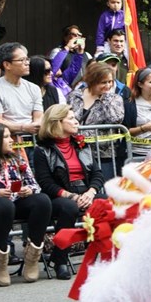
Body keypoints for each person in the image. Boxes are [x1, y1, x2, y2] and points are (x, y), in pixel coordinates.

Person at [32, 104, 105, 280]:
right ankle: (60, 260)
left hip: (85, 191)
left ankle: (97, 258)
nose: (76, 121)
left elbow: (97, 173)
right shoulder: (42, 150)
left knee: (105, 204)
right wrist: (71, 196)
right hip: (59, 195)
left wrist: (91, 192)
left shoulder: (81, 145)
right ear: (57, 122)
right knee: (69, 208)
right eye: (71, 118)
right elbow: (46, 183)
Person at [0, 121, 49, 285]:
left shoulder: (17, 159)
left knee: (42, 201)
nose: (12, 141)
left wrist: (28, 189)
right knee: (3, 205)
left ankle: (32, 256)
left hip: (15, 201)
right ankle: (0, 259)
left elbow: (34, 184)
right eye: (7, 137)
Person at [67, 62, 125, 180]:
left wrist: (105, 98)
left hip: (103, 154)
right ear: (92, 80)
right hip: (77, 152)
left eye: (110, 81)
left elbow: (116, 119)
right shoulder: (75, 95)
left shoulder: (114, 98)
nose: (108, 85)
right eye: (104, 82)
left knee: (105, 189)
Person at [0, 43, 43, 136]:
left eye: (27, 59)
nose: (27, 63)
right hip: (7, 140)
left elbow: (38, 117)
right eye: (22, 60)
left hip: (34, 139)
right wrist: (24, 127)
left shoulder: (34, 88)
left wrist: (36, 125)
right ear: (7, 65)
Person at [50, 28, 89, 98]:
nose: (77, 37)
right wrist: (67, 47)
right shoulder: (49, 82)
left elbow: (74, 69)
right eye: (74, 34)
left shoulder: (62, 81)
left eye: (79, 35)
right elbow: (53, 68)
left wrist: (80, 52)